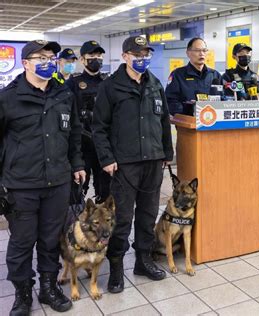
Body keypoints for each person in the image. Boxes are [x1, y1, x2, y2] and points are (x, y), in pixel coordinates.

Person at [0, 40, 85, 315]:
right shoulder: (7, 98)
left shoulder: (64, 94)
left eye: (51, 56)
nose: (48, 61)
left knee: (50, 240)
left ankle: (49, 287)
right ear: (25, 63)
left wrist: (77, 164)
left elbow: (73, 133)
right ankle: (23, 294)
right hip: (21, 184)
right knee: (22, 242)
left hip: (57, 182)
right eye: (40, 57)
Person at [92, 36, 173, 294]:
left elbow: (163, 122)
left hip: (152, 160)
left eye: (146, 54)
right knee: (122, 217)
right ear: (125, 56)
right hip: (123, 164)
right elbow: (99, 127)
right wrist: (107, 159)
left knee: (148, 214)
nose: (143, 59)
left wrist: (166, 153)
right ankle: (116, 267)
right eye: (137, 55)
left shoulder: (155, 84)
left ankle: (143, 259)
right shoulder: (111, 87)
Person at [66, 40, 110, 203]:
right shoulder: (73, 84)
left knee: (105, 190)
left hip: (103, 145)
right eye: (91, 55)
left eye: (99, 55)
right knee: (78, 190)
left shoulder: (108, 83)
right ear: (82, 59)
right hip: (81, 145)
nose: (96, 59)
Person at [165, 37, 221, 115]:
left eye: (204, 50)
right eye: (197, 50)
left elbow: (222, 99)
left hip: (212, 121)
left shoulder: (215, 75)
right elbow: (170, 102)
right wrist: (190, 109)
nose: (201, 53)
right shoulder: (177, 75)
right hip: (187, 122)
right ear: (188, 53)